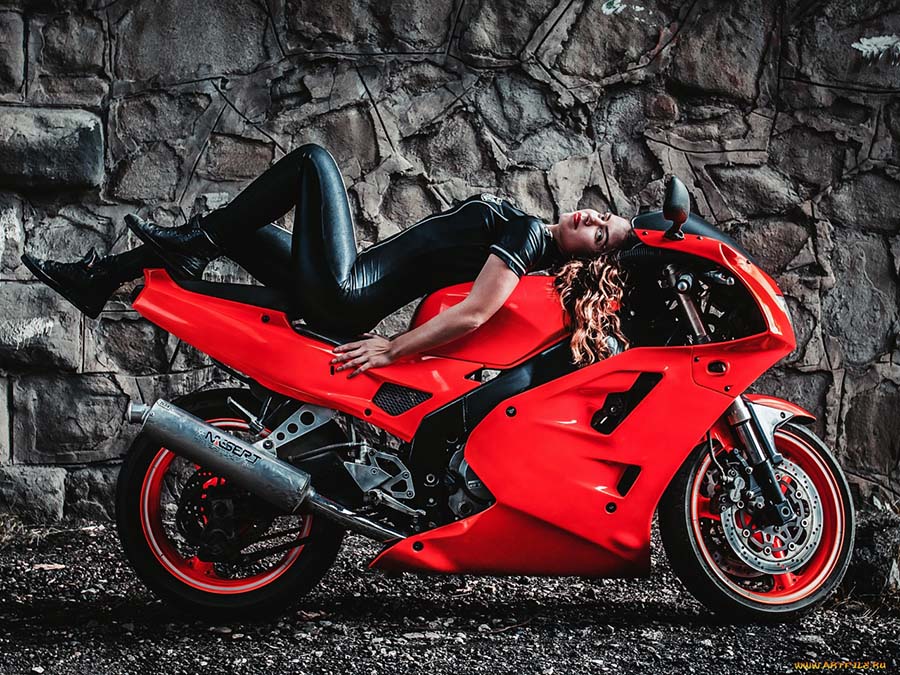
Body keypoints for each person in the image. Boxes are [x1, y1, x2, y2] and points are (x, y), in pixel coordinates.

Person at [22, 143, 635, 377]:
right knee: (229, 225)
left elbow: (474, 314)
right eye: (601, 215)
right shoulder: (528, 226)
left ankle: (188, 249)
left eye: (600, 236)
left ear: (583, 260)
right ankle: (101, 277)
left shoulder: (529, 243)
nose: (591, 221)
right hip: (346, 285)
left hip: (346, 292)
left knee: (314, 162)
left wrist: (392, 348)